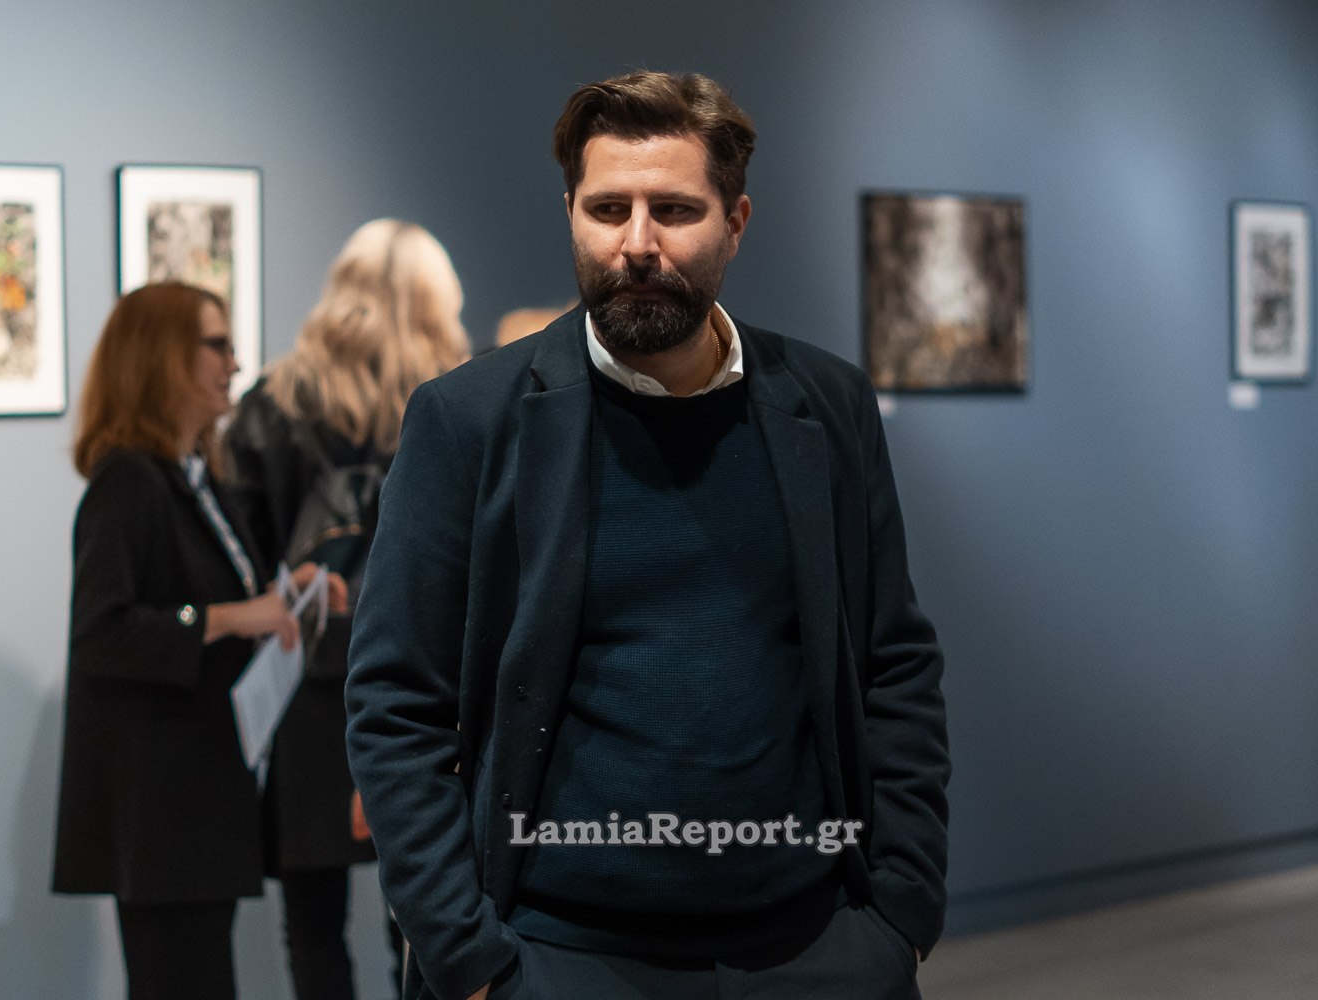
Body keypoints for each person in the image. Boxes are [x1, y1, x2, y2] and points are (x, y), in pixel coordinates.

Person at [345, 71, 949, 1000]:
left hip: (813, 949)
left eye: (673, 210)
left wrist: (900, 914)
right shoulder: (468, 420)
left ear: (735, 222)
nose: (636, 243)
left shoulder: (827, 407)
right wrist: (468, 961)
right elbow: (395, 703)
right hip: (557, 957)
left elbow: (893, 665)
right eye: (607, 209)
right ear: (571, 215)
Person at [52, 282, 344, 1000]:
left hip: (202, 796)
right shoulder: (128, 483)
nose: (235, 363)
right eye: (217, 345)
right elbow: (100, 633)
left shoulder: (198, 480)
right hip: (162, 811)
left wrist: (287, 596)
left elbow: (221, 595)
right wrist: (231, 617)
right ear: (160, 358)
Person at [225, 219, 472, 1000]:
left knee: (313, 923)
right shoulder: (463, 399)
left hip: (306, 680)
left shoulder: (275, 401)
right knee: (428, 912)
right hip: (431, 681)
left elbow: (242, 549)